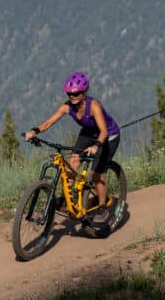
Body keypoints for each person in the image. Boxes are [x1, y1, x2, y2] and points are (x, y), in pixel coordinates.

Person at [24, 72, 120, 223]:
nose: (72, 96)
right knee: (71, 164)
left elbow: (104, 132)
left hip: (107, 137)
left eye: (76, 93)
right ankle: (65, 200)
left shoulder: (94, 106)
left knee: (96, 174)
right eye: (69, 93)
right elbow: (48, 122)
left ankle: (103, 206)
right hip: (88, 134)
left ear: (84, 92)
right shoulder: (67, 107)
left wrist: (96, 146)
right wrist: (33, 131)